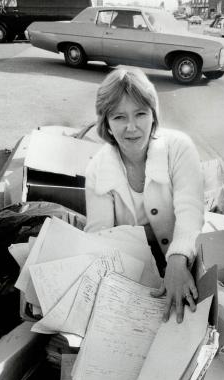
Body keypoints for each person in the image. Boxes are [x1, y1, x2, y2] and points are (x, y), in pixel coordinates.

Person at [84, 68, 204, 323]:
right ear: (106, 122)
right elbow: (99, 238)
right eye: (118, 117)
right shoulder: (97, 169)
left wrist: (177, 260)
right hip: (131, 276)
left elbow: (190, 211)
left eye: (140, 114)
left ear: (153, 115)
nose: (131, 127)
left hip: (187, 261)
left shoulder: (178, 147)